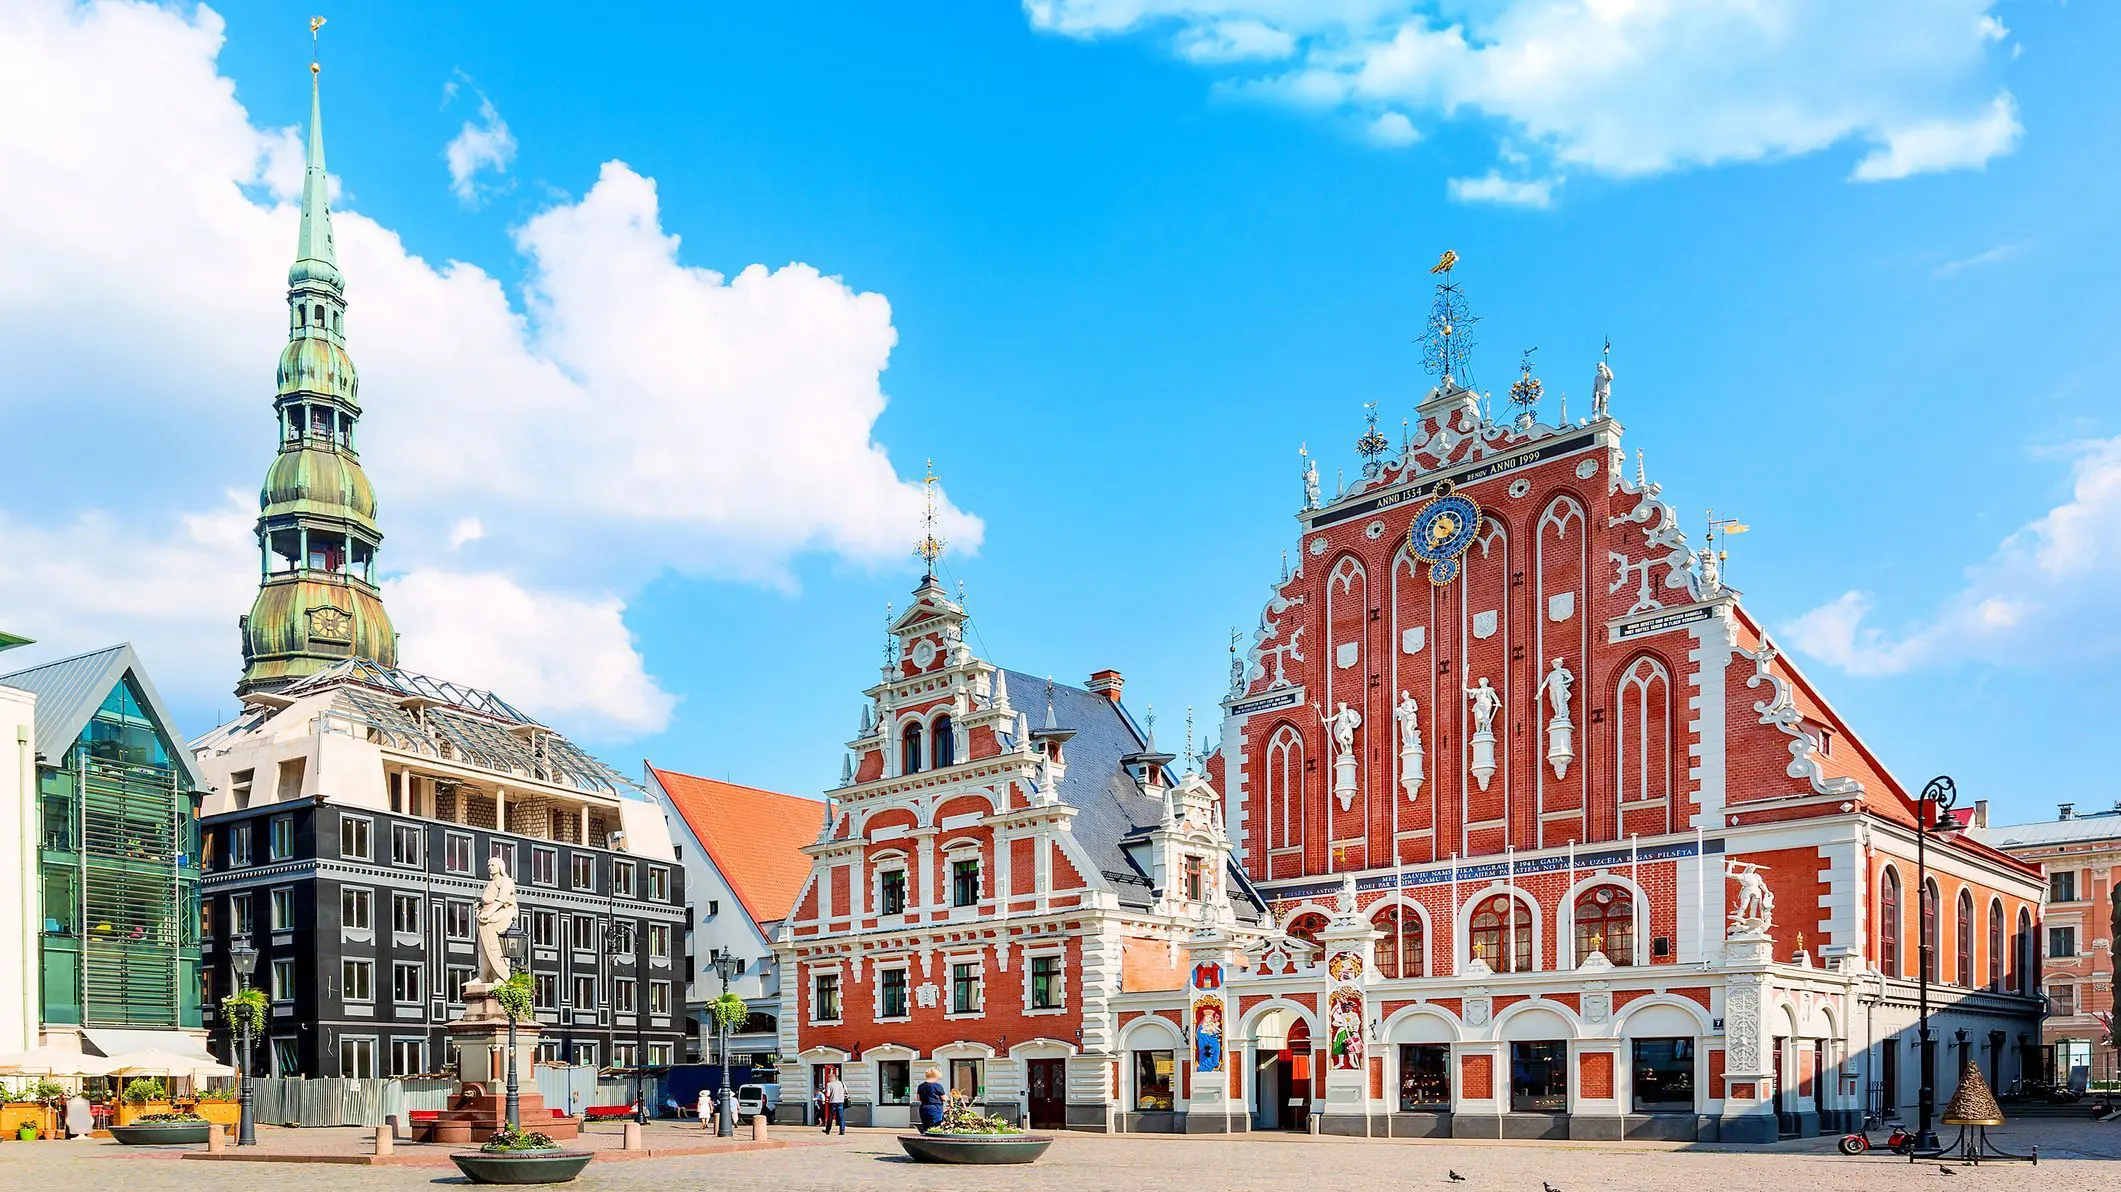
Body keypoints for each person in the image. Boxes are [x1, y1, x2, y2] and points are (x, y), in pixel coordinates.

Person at [915, 1068, 947, 1134]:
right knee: (936, 1127)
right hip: (935, 1108)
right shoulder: (938, 1086)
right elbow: (944, 1098)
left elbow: (918, 1098)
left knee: (926, 1127)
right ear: (936, 1076)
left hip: (924, 1108)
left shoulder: (921, 1086)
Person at [820, 1069, 846, 1135]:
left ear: (830, 1078)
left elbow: (828, 1094)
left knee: (830, 1116)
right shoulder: (840, 1083)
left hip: (833, 1102)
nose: (827, 1079)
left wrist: (825, 1092)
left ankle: (828, 1130)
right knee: (841, 1117)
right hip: (841, 1101)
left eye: (828, 1078)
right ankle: (842, 1131)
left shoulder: (829, 1084)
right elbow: (844, 1091)